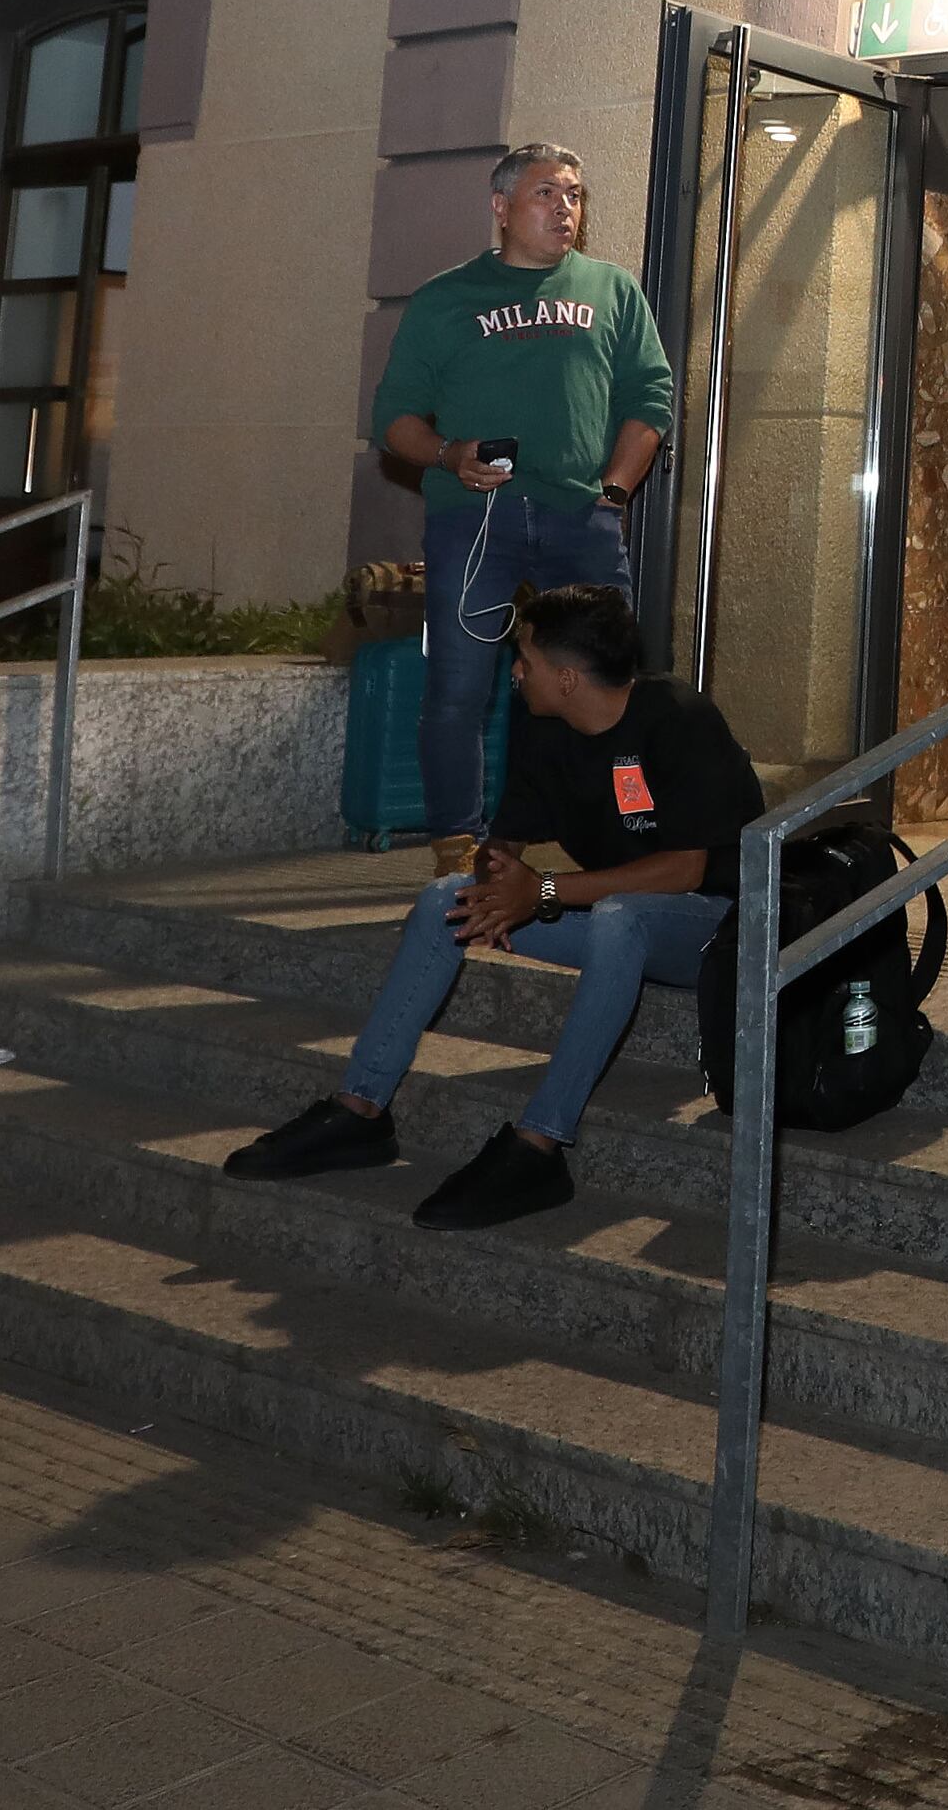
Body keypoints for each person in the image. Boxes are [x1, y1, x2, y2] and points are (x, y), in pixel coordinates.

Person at [223, 583, 761, 1230]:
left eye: (526, 657)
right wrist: (497, 873)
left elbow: (686, 868)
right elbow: (503, 845)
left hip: (711, 926)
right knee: (443, 899)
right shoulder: (545, 725)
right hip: (614, 911)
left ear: (567, 676)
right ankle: (360, 1108)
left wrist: (543, 891)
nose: (515, 670)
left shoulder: (679, 717)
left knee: (621, 916)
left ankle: (539, 1143)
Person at [374, 141, 675, 842]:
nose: (564, 206)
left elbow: (651, 395)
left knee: (611, 683)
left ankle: (632, 829)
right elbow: (392, 418)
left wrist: (616, 490)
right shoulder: (445, 299)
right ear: (502, 207)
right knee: (459, 687)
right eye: (546, 193)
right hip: (475, 521)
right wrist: (450, 454)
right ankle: (458, 847)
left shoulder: (611, 290)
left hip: (582, 518)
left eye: (574, 193)